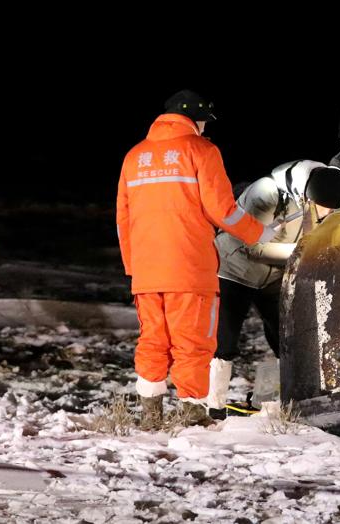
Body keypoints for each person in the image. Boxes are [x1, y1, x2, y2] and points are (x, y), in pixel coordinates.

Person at [116, 89, 273, 430]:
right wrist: (259, 233)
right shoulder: (202, 150)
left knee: (153, 340)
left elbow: (122, 219)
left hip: (146, 270)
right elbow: (223, 211)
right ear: (196, 119)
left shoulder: (134, 157)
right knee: (193, 341)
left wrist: (134, 266)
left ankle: (151, 415)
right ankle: (191, 412)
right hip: (189, 267)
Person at [209, 161, 340, 416]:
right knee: (225, 339)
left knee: (283, 337)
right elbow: (254, 246)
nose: (326, 213)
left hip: (273, 275)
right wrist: (304, 252)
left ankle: (269, 399)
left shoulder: (323, 194)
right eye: (323, 208)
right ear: (307, 193)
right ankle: (213, 405)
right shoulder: (266, 192)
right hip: (234, 268)